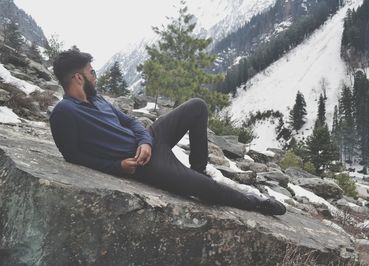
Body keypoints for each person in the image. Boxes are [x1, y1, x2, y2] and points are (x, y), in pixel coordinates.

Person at [49, 49, 286, 216]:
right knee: (207, 190)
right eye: (92, 73)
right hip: (144, 164)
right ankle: (257, 203)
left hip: (150, 141)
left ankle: (199, 167)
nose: (95, 76)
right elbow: (73, 156)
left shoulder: (97, 99)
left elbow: (130, 121)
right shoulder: (64, 112)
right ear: (78, 78)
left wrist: (145, 140)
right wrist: (118, 166)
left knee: (197, 106)